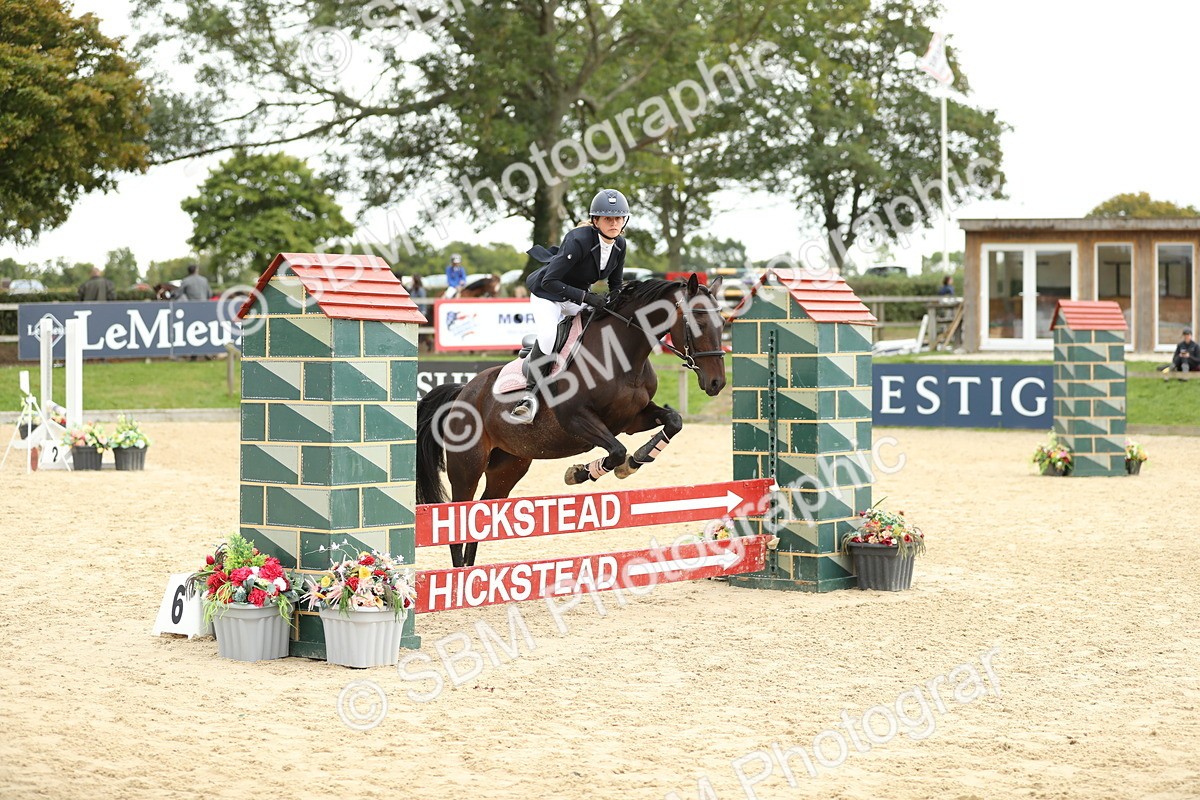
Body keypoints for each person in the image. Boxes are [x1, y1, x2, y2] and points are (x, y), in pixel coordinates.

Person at [509, 188, 629, 423]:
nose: (614, 223)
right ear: (596, 220)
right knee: (548, 337)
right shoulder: (578, 239)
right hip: (547, 295)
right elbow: (549, 281)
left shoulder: (620, 245)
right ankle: (528, 397)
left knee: (599, 324)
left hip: (574, 299)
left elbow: (616, 285)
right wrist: (586, 298)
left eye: (618, 218)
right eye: (608, 218)